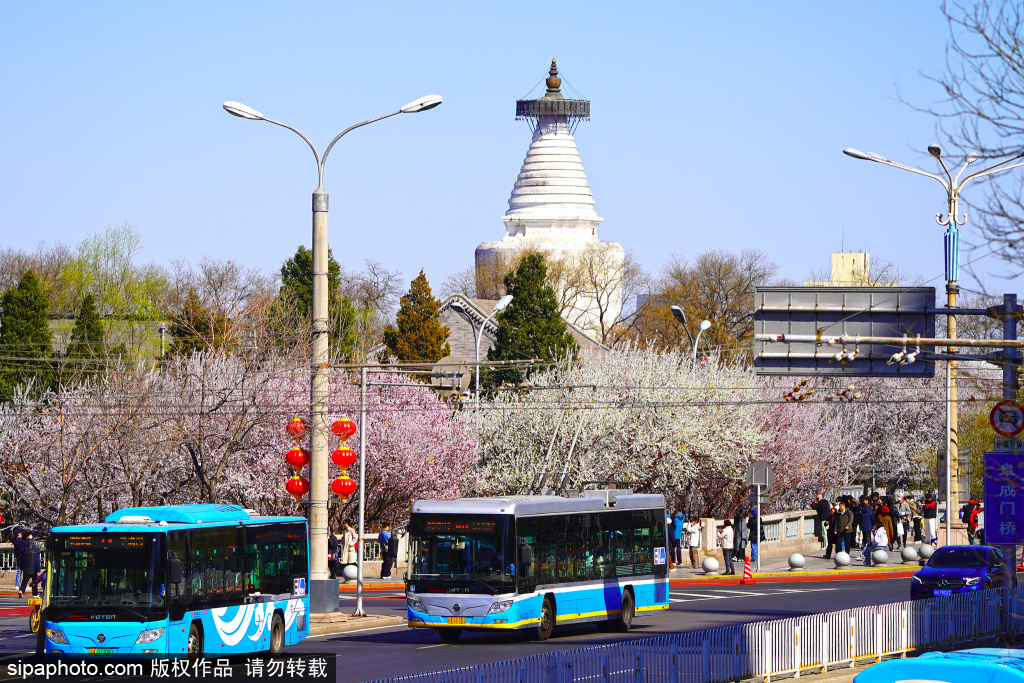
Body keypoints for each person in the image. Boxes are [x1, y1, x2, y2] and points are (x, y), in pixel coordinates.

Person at [19, 533, 40, 597]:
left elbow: (22, 559)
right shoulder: (36, 549)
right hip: (33, 568)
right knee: (34, 581)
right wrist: (38, 570)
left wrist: (22, 567)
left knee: (25, 580)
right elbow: (37, 561)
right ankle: (35, 593)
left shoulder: (24, 548)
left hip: (26, 568)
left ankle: (21, 590)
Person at [13, 529, 27, 598]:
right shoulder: (21, 541)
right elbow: (26, 544)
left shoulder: (15, 541)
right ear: (19, 534)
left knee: (19, 571)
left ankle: (17, 584)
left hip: (18, 557)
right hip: (23, 557)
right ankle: (24, 585)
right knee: (25, 572)